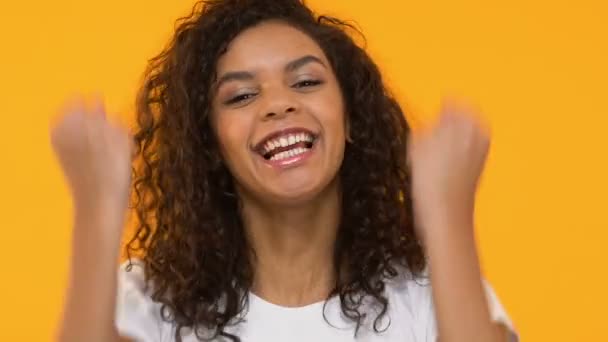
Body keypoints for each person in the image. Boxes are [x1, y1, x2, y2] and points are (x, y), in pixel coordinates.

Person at [51, 0, 519, 341]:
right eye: (241, 96)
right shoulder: (150, 301)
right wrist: (97, 210)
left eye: (306, 81)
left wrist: (447, 216)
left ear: (351, 117)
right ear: (210, 145)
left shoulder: (430, 293)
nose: (279, 103)